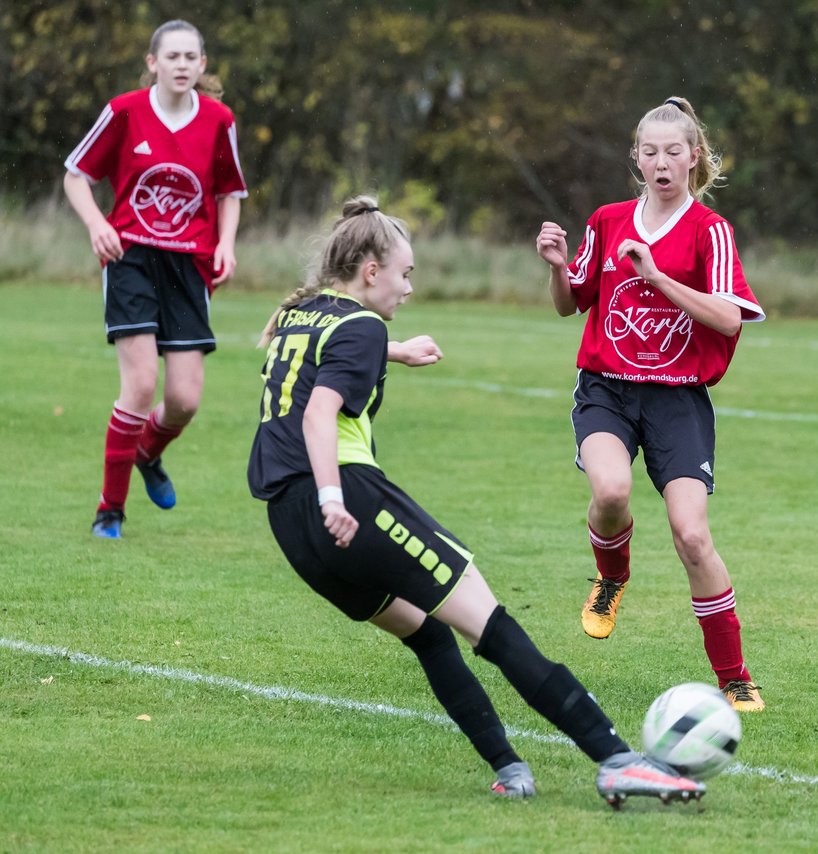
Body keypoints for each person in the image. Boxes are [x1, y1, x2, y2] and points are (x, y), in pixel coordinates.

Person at [248, 196, 704, 805]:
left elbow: (315, 369)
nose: (409, 289)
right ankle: (616, 758)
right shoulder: (362, 326)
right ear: (371, 271)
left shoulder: (300, 315)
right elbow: (319, 414)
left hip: (290, 525)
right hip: (349, 501)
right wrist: (334, 493)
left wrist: (398, 352)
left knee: (428, 635)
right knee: (493, 627)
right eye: (405, 274)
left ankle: (509, 768)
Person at [535, 97, 767, 712]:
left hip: (678, 401)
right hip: (607, 390)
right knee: (610, 493)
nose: (661, 162)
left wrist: (659, 277)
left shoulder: (710, 231)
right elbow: (570, 303)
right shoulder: (609, 220)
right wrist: (559, 269)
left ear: (695, 158)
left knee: (692, 535)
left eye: (673, 152)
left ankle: (735, 677)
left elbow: (728, 315)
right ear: (636, 158)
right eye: (649, 152)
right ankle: (611, 578)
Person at [63, 19, 248, 539]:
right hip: (132, 258)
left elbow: (229, 191)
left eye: (192, 57)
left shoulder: (218, 120)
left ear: (202, 65)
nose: (183, 65)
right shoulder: (125, 112)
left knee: (185, 399)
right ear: (153, 63)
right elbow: (76, 174)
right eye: (173, 57)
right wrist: (98, 225)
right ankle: (110, 511)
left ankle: (147, 452)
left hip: (190, 265)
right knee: (141, 385)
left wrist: (227, 244)